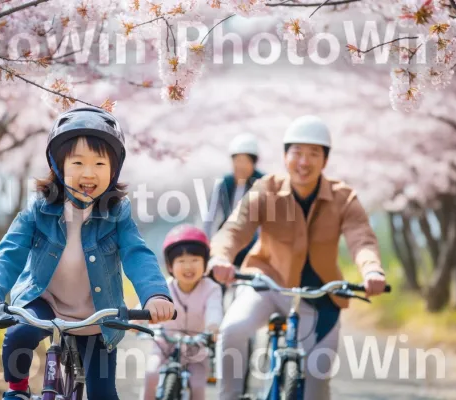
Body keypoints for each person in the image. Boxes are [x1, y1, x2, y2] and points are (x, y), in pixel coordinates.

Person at [0, 107, 175, 400]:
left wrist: (155, 295)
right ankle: (18, 390)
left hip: (97, 314)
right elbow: (10, 252)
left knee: (103, 393)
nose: (89, 173)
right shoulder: (39, 210)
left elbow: (137, 254)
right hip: (44, 302)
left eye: (100, 163)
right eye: (77, 162)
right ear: (59, 166)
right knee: (19, 335)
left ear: (113, 171)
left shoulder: (117, 214)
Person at [208, 115, 388, 400]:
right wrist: (221, 257)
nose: (304, 162)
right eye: (297, 153)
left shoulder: (344, 198)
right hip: (266, 284)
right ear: (284, 156)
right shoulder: (265, 190)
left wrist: (372, 271)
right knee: (232, 330)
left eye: (313, 154)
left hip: (321, 294)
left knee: (318, 382)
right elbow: (234, 229)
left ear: (325, 161)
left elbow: (361, 238)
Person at [141, 225, 223, 400]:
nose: (188, 266)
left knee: (198, 387)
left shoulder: (211, 288)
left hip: (197, 349)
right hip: (164, 345)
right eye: (181, 261)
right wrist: (135, 323)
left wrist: (213, 327)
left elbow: (214, 310)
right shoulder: (164, 288)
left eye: (195, 260)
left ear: (205, 264)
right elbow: (147, 305)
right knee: (151, 375)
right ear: (170, 266)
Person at [203, 133, 264, 268]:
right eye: (237, 160)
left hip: (253, 241)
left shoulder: (262, 183)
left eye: (245, 161)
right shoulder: (224, 183)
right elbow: (210, 216)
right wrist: (206, 243)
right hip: (227, 237)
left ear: (253, 163)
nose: (240, 166)